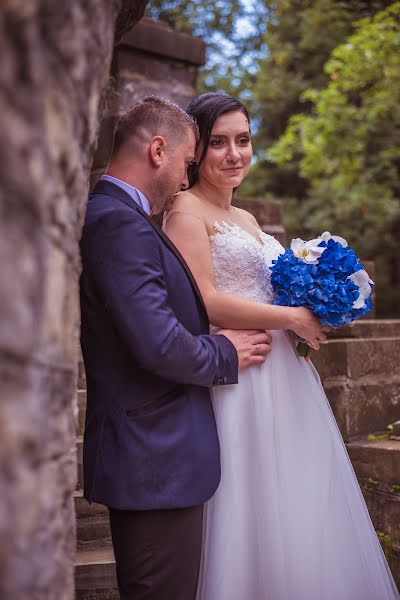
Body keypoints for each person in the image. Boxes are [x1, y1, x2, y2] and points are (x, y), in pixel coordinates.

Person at [163, 92, 400, 600]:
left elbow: (266, 289)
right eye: (218, 143)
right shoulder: (185, 210)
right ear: (196, 150)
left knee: (301, 504)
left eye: (243, 140)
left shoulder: (247, 219)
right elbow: (204, 300)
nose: (234, 154)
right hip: (242, 381)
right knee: (252, 508)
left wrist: (319, 304)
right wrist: (292, 315)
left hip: (288, 381)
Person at [79, 96, 273, 600]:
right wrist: (227, 351)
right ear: (158, 150)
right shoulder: (117, 221)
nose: (186, 181)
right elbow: (160, 344)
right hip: (152, 459)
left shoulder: (121, 216)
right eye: (189, 163)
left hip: (160, 458)